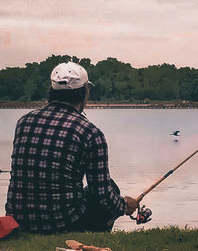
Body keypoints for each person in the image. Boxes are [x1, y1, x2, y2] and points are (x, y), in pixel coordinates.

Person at [5, 62, 138, 233]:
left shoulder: (24, 122)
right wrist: (123, 206)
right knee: (110, 187)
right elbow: (102, 194)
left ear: (51, 91)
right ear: (85, 93)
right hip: (63, 222)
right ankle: (93, 235)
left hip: (19, 220)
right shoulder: (90, 133)